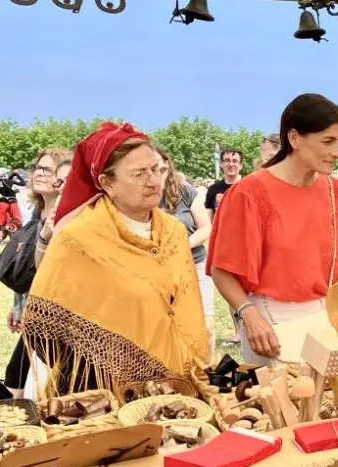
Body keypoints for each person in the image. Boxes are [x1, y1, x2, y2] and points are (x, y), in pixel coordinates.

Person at [22, 123, 208, 395]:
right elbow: (45, 327)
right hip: (106, 396)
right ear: (106, 183)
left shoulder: (174, 232)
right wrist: (111, 364)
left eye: (156, 169)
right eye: (139, 174)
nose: (154, 181)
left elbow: (183, 304)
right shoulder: (78, 239)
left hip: (176, 385)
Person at [207, 94, 338, 364]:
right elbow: (222, 270)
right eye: (328, 141)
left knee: (331, 405)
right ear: (295, 138)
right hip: (270, 328)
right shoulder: (248, 194)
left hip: (326, 321)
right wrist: (248, 314)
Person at [4, 150, 71, 398]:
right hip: (31, 308)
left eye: (48, 170)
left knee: (36, 381)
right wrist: (18, 306)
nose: (39, 174)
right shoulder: (38, 212)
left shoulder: (67, 216)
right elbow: (26, 267)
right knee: (17, 375)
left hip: (51, 314)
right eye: (38, 168)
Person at [155, 146, 215, 362]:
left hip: (195, 263)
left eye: (162, 168)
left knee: (205, 326)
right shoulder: (141, 198)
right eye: (152, 169)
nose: (157, 174)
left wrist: (178, 246)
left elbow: (205, 228)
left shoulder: (185, 192)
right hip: (159, 269)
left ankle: (208, 372)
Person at [205, 148, 243, 222]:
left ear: (241, 165)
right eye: (227, 160)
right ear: (221, 164)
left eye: (235, 161)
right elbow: (208, 220)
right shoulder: (213, 189)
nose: (231, 164)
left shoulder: (250, 187)